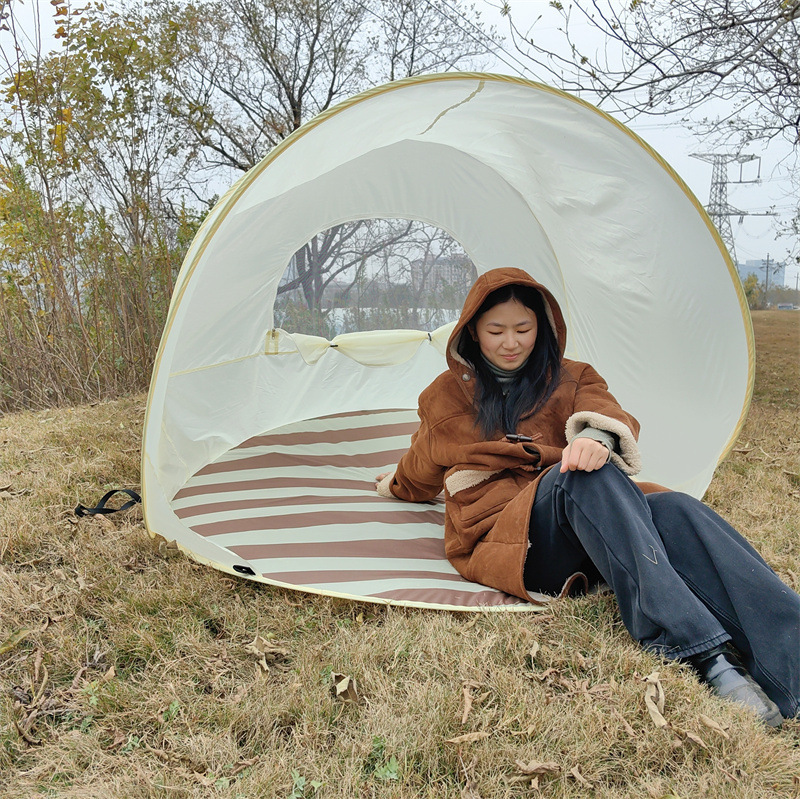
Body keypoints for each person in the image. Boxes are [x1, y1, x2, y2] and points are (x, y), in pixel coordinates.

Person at [375, 267, 799, 727]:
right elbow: (419, 468)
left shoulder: (572, 377)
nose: (511, 343)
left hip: (595, 527)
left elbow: (606, 411)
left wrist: (595, 437)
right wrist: (394, 484)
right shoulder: (444, 396)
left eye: (523, 329)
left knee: (676, 509)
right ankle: (706, 656)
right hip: (511, 540)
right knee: (579, 478)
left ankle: (791, 660)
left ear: (542, 326)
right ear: (472, 331)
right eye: (496, 331)